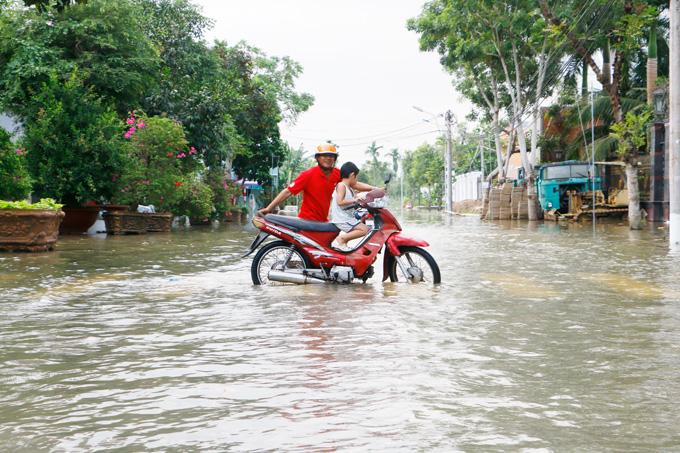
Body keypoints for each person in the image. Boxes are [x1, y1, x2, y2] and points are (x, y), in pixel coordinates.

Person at [258, 144, 377, 222]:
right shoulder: (308, 174)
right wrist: (269, 208)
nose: (328, 158)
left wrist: (374, 189)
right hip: (307, 220)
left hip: (323, 220)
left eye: (331, 156)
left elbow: (354, 183)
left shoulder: (336, 174)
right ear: (317, 158)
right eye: (324, 155)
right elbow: (288, 191)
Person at [331, 162, 371, 250]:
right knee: (365, 229)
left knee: (366, 228)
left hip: (347, 218)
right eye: (357, 177)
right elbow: (340, 202)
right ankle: (342, 239)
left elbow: (356, 199)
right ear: (352, 175)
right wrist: (355, 199)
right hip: (342, 219)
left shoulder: (350, 189)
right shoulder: (341, 186)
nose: (357, 180)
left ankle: (344, 244)